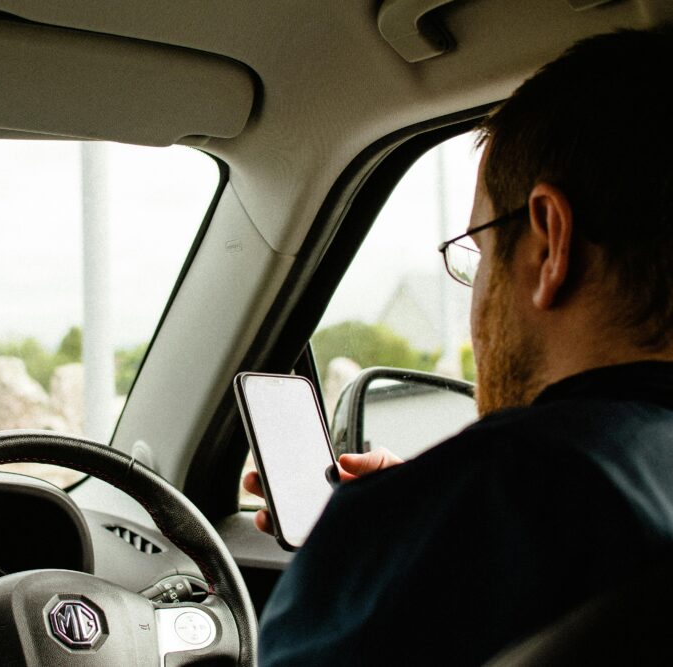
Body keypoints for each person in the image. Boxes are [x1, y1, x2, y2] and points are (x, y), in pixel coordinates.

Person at [250, 26, 673, 666]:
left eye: (476, 251)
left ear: (551, 241)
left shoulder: (497, 499)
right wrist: (424, 508)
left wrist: (407, 521)